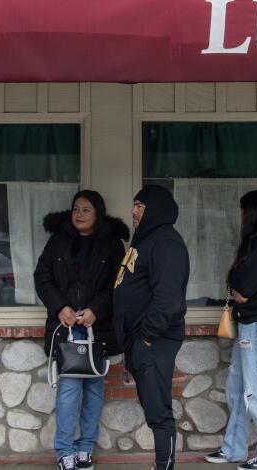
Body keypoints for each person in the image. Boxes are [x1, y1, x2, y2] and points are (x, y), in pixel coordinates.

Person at [34, 190, 129, 470]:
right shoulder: (58, 241)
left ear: (97, 213)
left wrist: (96, 310)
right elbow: (42, 277)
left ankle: (85, 448)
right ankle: (65, 452)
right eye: (76, 208)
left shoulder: (113, 245)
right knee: (69, 389)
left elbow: (118, 285)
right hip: (66, 328)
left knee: (94, 389)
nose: (79, 214)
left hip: (96, 329)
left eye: (86, 210)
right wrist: (59, 306)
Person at [205, 191, 257, 470]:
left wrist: (236, 285)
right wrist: (234, 286)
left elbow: (244, 281)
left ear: (250, 212)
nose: (240, 217)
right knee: (238, 388)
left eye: (242, 211)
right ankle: (234, 449)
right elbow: (236, 282)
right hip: (252, 323)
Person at [114, 185, 190, 470]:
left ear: (154, 209)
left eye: (140, 206)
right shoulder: (144, 240)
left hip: (154, 339)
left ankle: (164, 466)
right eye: (133, 205)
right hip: (141, 339)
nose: (133, 211)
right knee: (152, 406)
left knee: (159, 410)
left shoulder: (166, 243)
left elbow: (168, 299)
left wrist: (145, 338)